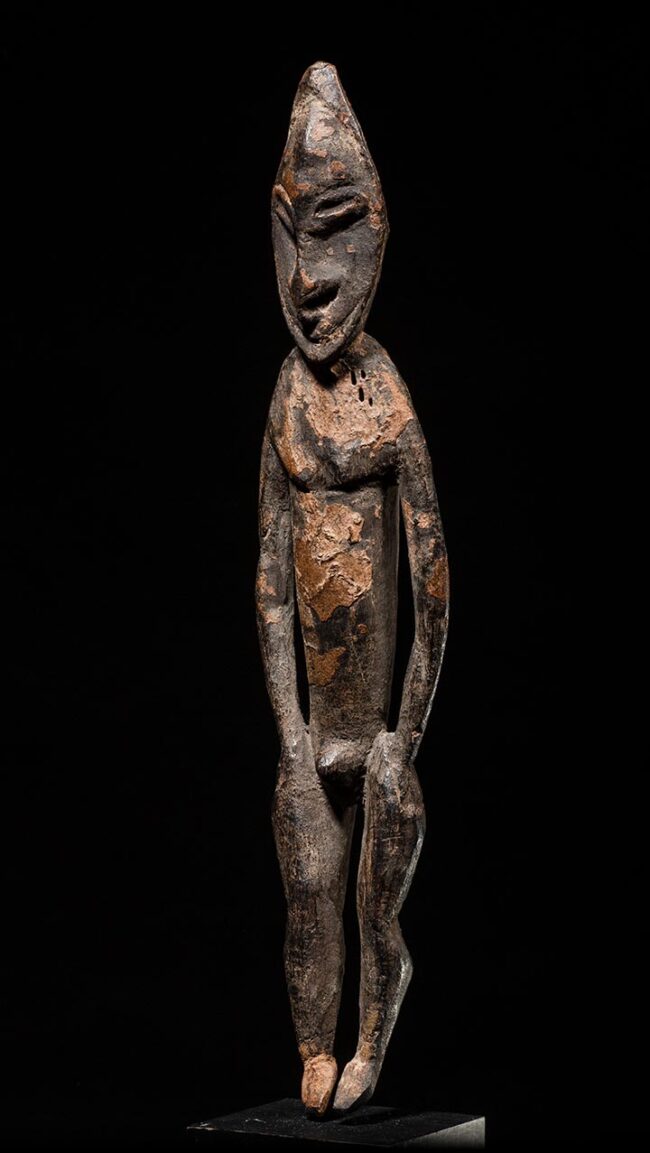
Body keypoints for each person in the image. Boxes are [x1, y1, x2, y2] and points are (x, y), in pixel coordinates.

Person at [256, 62, 449, 1116]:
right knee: (306, 898)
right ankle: (311, 1047)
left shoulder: (389, 401)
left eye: (334, 233)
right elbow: (269, 583)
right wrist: (290, 728)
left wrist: (400, 738)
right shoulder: (287, 398)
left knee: (375, 910)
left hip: (376, 733)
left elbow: (433, 588)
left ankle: (370, 1041)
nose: (309, 278)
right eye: (291, 235)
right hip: (310, 728)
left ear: (373, 232)